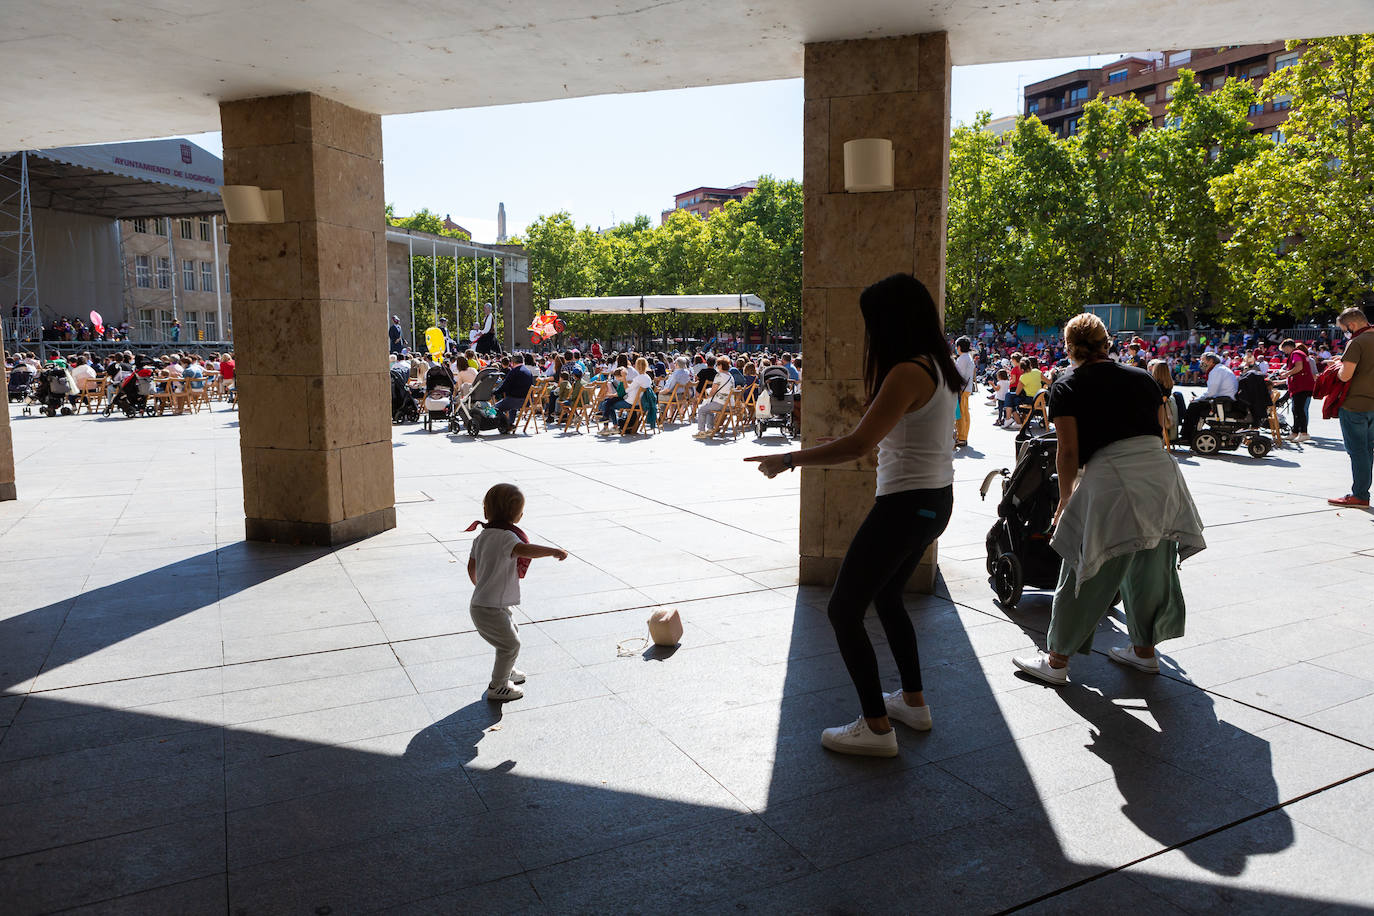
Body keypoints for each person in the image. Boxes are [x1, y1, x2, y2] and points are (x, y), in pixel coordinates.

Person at [746, 273, 959, 757]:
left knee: (844, 610)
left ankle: (877, 728)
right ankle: (913, 702)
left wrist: (789, 459)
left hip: (904, 506)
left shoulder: (906, 370)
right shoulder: (939, 366)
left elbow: (862, 442)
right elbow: (893, 438)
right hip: (934, 503)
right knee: (886, 600)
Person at [1013, 313, 1205, 686]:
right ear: (1107, 341)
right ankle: (1145, 652)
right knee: (1152, 565)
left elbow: (1067, 452)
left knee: (1084, 567)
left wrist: (1065, 498)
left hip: (1113, 479)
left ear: (1070, 347)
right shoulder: (1142, 377)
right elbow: (1158, 428)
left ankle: (1056, 662)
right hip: (1162, 476)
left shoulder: (1067, 385)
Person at [466, 484, 567, 702]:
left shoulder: (481, 537)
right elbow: (525, 550)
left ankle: (506, 669)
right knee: (510, 644)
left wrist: (481, 586)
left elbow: (471, 567)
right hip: (490, 607)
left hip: (486, 603)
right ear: (517, 516)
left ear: (486, 512)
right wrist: (552, 551)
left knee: (511, 633)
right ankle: (498, 686)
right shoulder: (507, 538)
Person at [1330, 307, 1374, 507]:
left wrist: (1339, 367)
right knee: (1368, 450)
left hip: (1355, 405)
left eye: (1344, 329)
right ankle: (1361, 492)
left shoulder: (1356, 342)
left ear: (1352, 325)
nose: (1344, 333)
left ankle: (1360, 495)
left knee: (1358, 451)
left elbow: (1345, 375)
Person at [1180, 352, 1238, 444]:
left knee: (1193, 406)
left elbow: (1211, 392)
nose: (1201, 363)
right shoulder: (1219, 369)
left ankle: (1186, 436)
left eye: (1203, 361)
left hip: (1223, 402)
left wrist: (1197, 399)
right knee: (1196, 404)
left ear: (1211, 361)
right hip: (1223, 399)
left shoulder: (1216, 371)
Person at [693, 357, 735, 438]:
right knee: (709, 409)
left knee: (702, 409)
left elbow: (713, 391)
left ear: (721, 366)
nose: (717, 366)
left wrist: (708, 396)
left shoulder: (719, 375)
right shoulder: (730, 376)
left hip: (721, 403)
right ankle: (709, 429)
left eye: (718, 365)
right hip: (730, 404)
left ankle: (701, 431)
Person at [492, 352, 535, 426]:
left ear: (513, 362)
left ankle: (506, 425)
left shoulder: (514, 371)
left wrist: (494, 392)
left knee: (495, 408)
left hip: (515, 400)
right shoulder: (528, 371)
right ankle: (510, 422)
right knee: (511, 403)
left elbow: (504, 387)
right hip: (527, 401)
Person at [952, 336, 975, 448]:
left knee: (961, 415)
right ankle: (963, 436)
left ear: (959, 347)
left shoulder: (962, 359)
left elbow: (958, 375)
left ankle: (961, 438)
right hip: (966, 389)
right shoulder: (968, 357)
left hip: (962, 390)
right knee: (965, 413)